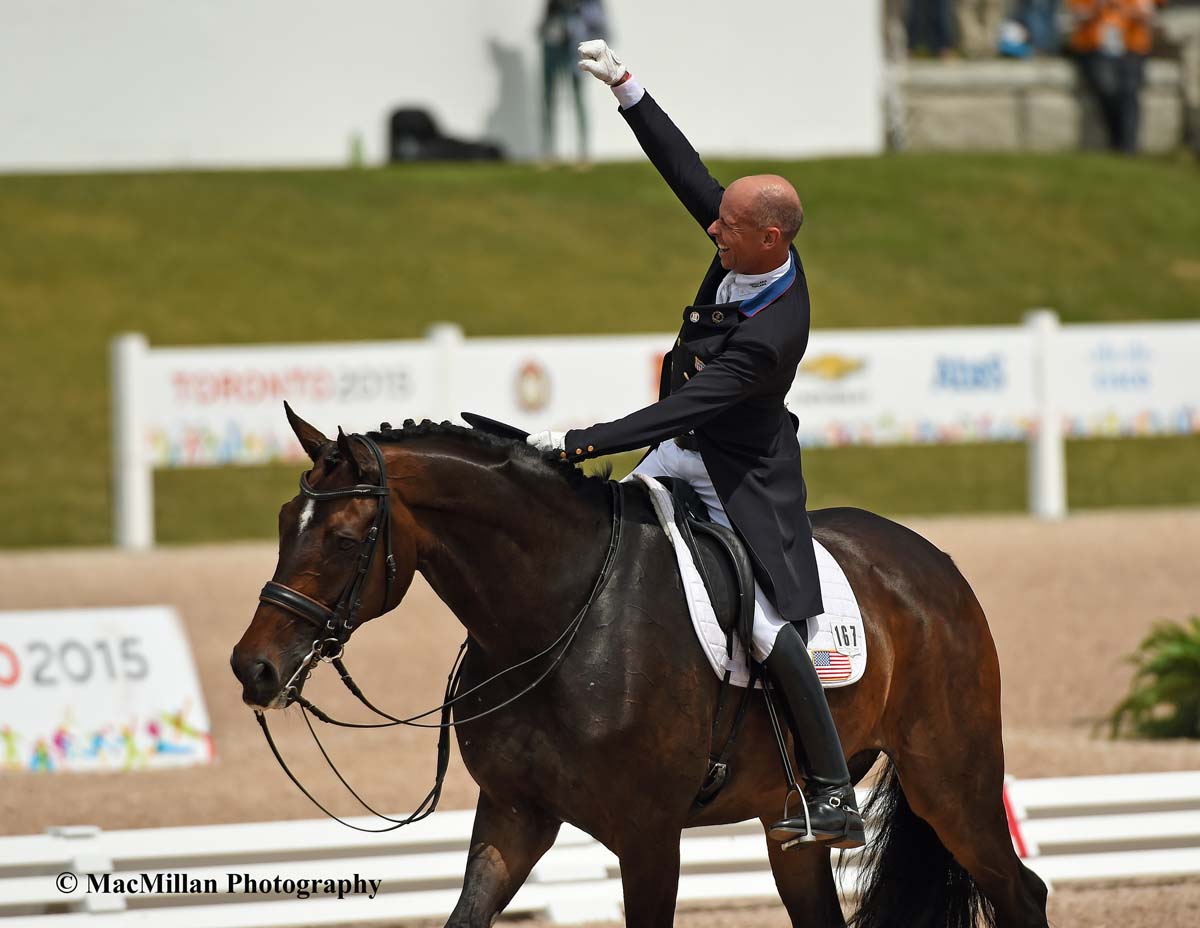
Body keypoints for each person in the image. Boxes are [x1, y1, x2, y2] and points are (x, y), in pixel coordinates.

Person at [526, 39, 865, 850]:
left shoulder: (771, 332)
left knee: (761, 621)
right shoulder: (741, 241)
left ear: (772, 242)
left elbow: (685, 409)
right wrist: (628, 90)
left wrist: (576, 442)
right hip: (681, 452)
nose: (713, 227)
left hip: (738, 478)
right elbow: (688, 175)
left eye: (730, 226)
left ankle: (828, 788)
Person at [1068, 0, 1165, 153]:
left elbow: (1151, 11)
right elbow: (1076, 14)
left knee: (1130, 90)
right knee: (1107, 87)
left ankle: (1128, 145)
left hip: (1132, 46)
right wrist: (1096, 8)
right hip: (1095, 47)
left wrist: (1130, 11)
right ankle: (1117, 139)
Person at [538, 0, 609, 162]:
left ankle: (583, 152)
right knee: (549, 99)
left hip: (575, 45)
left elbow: (597, 21)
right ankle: (548, 152)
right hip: (553, 44)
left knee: (578, 99)